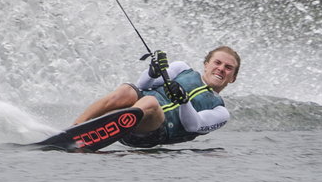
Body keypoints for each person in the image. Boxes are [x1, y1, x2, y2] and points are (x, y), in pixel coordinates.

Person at [73, 46, 241, 147]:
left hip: (153, 132)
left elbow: (193, 126)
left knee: (151, 102)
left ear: (232, 78)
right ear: (206, 65)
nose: (221, 69)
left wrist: (184, 101)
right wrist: (152, 72)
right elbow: (143, 85)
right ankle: (76, 127)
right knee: (127, 90)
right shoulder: (182, 68)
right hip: (133, 114)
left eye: (228, 68)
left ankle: (110, 127)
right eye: (217, 63)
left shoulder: (220, 111)